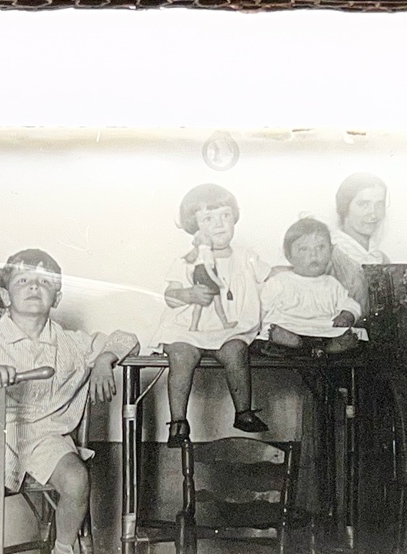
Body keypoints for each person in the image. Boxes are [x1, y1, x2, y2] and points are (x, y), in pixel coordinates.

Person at [0, 249, 138, 554]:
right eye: (23, 280)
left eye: (44, 282)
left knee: (77, 479)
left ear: (58, 296)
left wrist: (105, 358)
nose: (34, 287)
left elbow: (127, 339)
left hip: (42, 434)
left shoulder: (70, 343)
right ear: (5, 294)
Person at [151, 183, 271, 448]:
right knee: (181, 355)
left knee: (237, 350)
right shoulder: (187, 260)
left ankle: (243, 412)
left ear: (235, 218)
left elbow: (271, 277)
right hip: (189, 330)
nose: (219, 224)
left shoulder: (245, 257)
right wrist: (188, 295)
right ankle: (179, 422)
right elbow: (170, 297)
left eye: (225, 215)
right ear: (193, 226)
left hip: (228, 328)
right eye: (208, 218)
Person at [253, 217, 365, 357]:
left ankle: (326, 346)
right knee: (271, 333)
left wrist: (347, 315)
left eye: (320, 247)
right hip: (289, 328)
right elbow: (261, 308)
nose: (313, 254)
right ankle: (312, 347)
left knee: (353, 335)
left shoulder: (332, 284)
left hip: (322, 330)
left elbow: (350, 304)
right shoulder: (280, 281)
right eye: (303, 249)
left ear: (330, 251)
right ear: (289, 255)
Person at [326, 172, 389, 312]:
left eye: (379, 205)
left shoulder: (382, 259)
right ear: (344, 207)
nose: (373, 213)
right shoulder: (328, 255)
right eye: (363, 204)